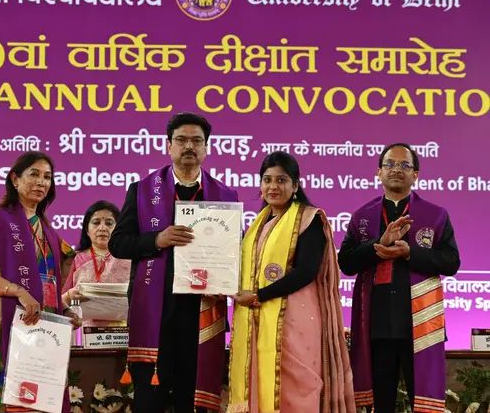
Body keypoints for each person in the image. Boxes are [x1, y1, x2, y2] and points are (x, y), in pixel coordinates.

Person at [109, 112, 239, 413]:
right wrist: (157, 239)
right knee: (150, 398)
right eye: (181, 140)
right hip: (155, 310)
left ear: (207, 148)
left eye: (197, 140)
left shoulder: (224, 196)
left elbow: (235, 251)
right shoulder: (142, 190)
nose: (189, 146)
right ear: (169, 146)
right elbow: (118, 244)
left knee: (190, 399)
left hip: (201, 311)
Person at [227, 151, 356, 413]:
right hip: (259, 319)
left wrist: (257, 295)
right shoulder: (259, 225)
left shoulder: (310, 220)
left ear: (295, 185)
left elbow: (306, 271)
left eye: (282, 180)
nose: (273, 187)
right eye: (267, 180)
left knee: (298, 388)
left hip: (295, 322)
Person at [338, 143, 460, 413]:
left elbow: (451, 262)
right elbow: (345, 263)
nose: (396, 170)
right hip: (377, 324)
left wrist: (410, 253)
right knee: (381, 405)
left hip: (418, 324)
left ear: (415, 174)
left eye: (404, 165)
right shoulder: (362, 217)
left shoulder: (436, 215)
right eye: (390, 164)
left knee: (422, 402)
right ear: (378, 172)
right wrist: (376, 246)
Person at [0, 151, 82, 413]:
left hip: (41, 330)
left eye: (47, 177)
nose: (41, 182)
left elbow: (49, 282)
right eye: (34, 174)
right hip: (3, 324)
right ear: (15, 180)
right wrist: (20, 292)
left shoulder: (49, 231)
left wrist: (63, 311)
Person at [62, 200, 131, 326]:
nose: (102, 228)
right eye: (96, 223)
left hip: (124, 333)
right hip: (83, 332)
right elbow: (59, 301)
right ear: (87, 230)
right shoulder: (74, 259)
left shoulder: (129, 259)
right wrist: (69, 295)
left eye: (109, 223)